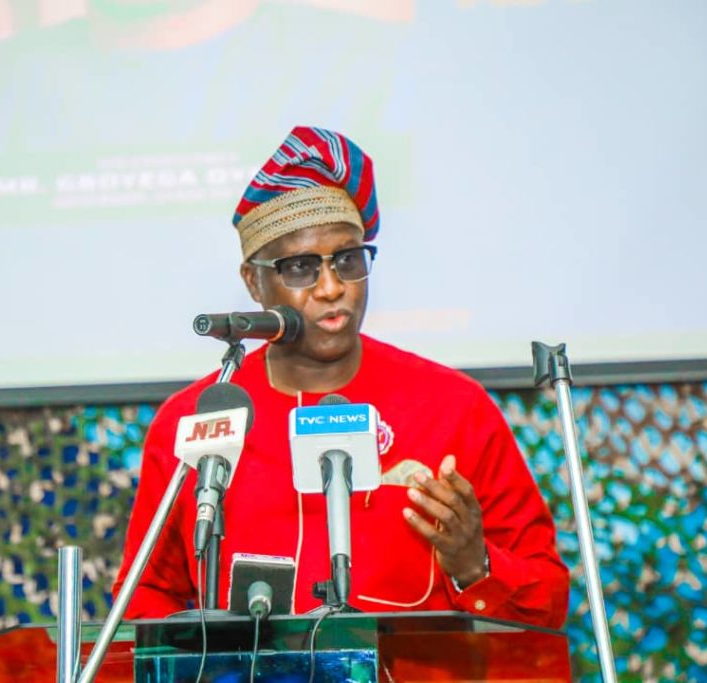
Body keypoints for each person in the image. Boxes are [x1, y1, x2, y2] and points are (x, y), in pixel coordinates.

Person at [112, 126, 569, 628]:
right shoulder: (195, 421)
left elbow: (545, 599)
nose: (332, 288)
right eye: (300, 267)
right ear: (253, 281)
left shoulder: (453, 408)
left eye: (348, 261)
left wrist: (473, 566)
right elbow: (143, 600)